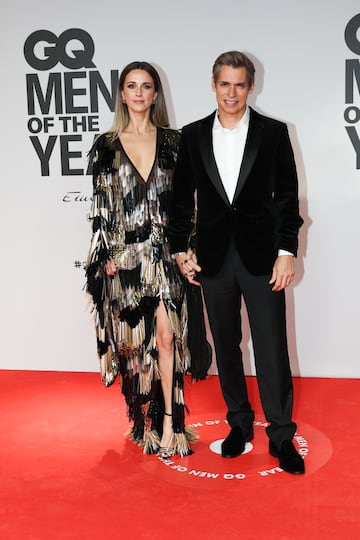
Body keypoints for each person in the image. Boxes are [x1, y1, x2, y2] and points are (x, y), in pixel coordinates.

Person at [168, 51, 305, 474]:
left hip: (262, 258)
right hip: (213, 261)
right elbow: (178, 200)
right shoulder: (191, 136)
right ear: (213, 84)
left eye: (239, 84)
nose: (231, 93)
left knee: (270, 348)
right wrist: (180, 250)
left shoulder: (274, 133)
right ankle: (239, 424)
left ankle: (281, 435)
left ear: (251, 86)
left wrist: (286, 253)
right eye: (224, 84)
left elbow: (286, 197)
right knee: (226, 346)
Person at [85, 61, 198, 458]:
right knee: (136, 349)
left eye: (146, 86)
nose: (138, 93)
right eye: (131, 86)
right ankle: (145, 422)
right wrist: (105, 254)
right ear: (122, 93)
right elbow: (102, 205)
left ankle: (171, 423)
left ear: (155, 94)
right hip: (126, 258)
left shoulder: (175, 142)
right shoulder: (106, 145)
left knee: (167, 338)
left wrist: (190, 245)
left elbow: (189, 201)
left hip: (166, 253)